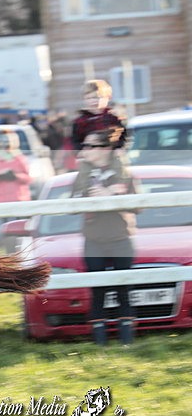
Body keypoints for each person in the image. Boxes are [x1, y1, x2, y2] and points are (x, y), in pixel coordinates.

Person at [70, 129, 138, 346]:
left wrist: (112, 195)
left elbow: (139, 205)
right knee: (97, 290)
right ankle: (101, 345)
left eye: (90, 146)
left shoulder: (125, 174)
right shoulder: (82, 175)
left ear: (105, 149)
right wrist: (87, 196)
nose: (85, 150)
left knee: (123, 290)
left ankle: (126, 343)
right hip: (94, 240)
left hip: (120, 238)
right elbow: (71, 204)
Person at [0, 131, 32, 251]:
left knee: (15, 230)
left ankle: (15, 253)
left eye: (9, 143)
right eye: (4, 143)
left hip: (17, 199)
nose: (7, 146)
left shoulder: (20, 159)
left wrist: (15, 176)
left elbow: (28, 178)